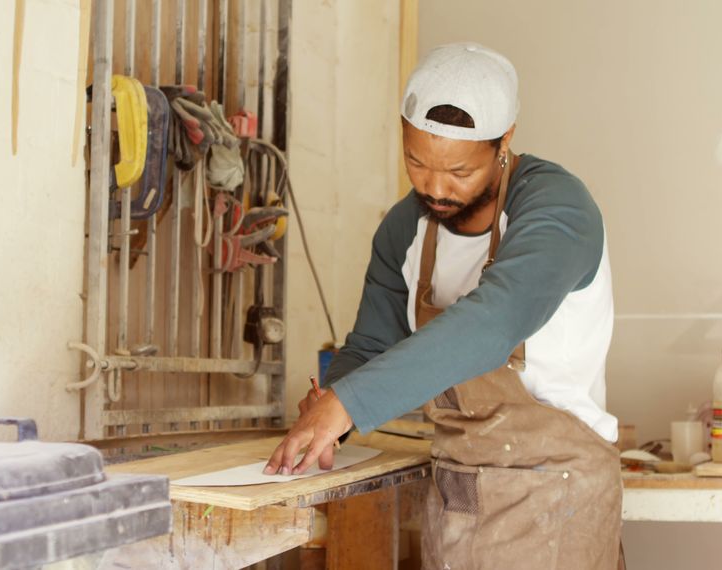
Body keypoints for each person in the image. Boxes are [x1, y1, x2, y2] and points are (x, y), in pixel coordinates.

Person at [264, 43, 623, 569]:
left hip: (557, 498)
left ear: (504, 142)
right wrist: (331, 409)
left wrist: (351, 402)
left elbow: (492, 325)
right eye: (416, 162)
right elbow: (370, 344)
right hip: (456, 498)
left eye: (458, 171)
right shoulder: (405, 228)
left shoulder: (558, 208)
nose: (434, 187)